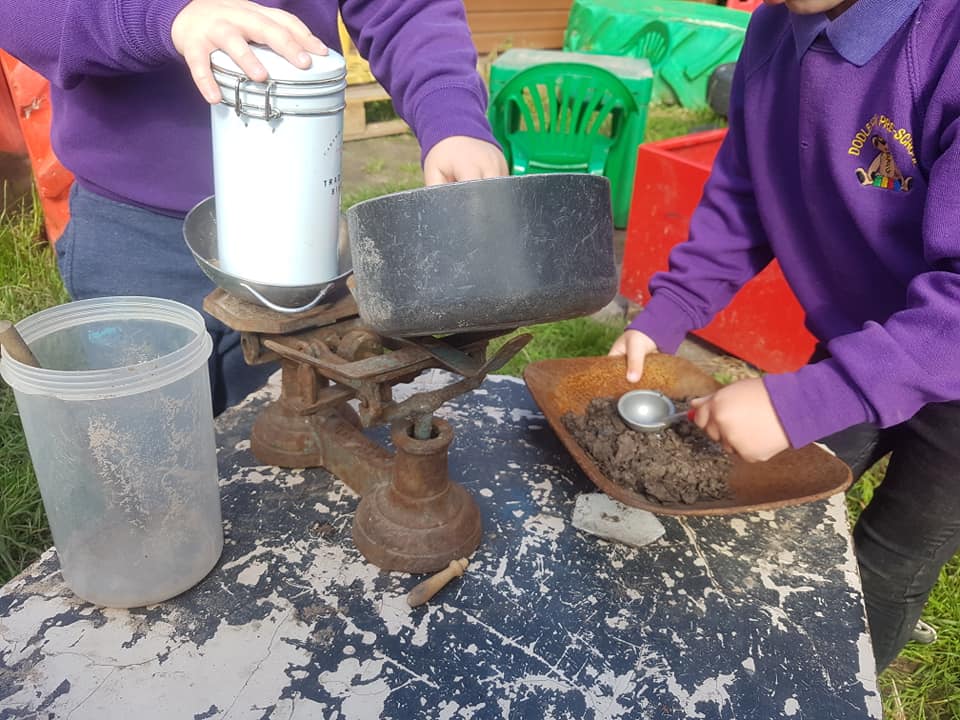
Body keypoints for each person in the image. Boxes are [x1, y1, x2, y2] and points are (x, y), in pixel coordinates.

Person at [609, 0, 960, 672]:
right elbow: (745, 193)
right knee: (787, 515)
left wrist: (801, 402)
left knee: (891, 562)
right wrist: (670, 311)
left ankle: (841, 679)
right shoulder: (773, 32)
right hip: (858, 340)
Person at [0, 0, 507, 413]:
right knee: (150, 458)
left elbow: (405, 8)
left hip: (295, 228)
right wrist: (164, 19)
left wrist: (451, 116)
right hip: (132, 240)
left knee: (281, 447)